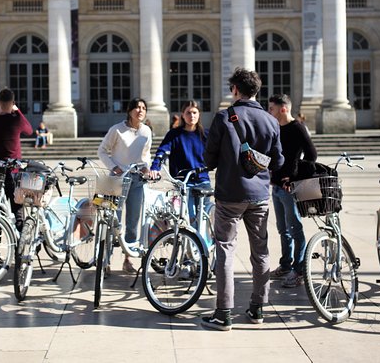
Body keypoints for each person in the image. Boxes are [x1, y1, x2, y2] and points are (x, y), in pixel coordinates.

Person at [201, 68, 284, 331]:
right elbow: (278, 160)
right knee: (261, 252)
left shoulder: (225, 117)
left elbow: (209, 158)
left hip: (229, 194)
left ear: (235, 89)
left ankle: (223, 313)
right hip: (259, 195)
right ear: (256, 91)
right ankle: (258, 308)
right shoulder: (271, 121)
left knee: (226, 250)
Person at [267, 94, 317, 289]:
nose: (269, 111)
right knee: (282, 229)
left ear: (283, 109)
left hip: (289, 187)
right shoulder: (275, 128)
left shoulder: (297, 127)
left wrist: (295, 176)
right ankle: (286, 264)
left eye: (271, 108)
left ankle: (299, 269)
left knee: (295, 228)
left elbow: (312, 155)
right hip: (276, 185)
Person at [97, 98, 152, 274]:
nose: (140, 111)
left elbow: (146, 154)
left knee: (133, 222)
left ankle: (128, 259)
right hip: (115, 180)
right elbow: (102, 151)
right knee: (112, 220)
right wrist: (115, 167)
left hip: (137, 180)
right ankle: (105, 259)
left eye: (143, 108)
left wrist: (146, 168)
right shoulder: (117, 129)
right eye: (137, 107)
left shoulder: (146, 131)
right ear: (129, 110)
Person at [150, 100, 210, 229]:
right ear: (183, 114)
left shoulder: (205, 135)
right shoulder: (174, 134)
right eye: (188, 112)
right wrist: (155, 167)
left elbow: (217, 154)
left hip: (203, 180)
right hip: (183, 182)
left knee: (203, 217)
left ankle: (204, 246)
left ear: (199, 114)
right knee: (191, 217)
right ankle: (193, 246)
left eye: (194, 112)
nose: (192, 116)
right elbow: (162, 151)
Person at [0, 88, 34, 231]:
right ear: (12, 103)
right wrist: (17, 111)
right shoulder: (16, 120)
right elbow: (30, 130)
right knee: (18, 211)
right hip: (13, 171)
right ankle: (20, 249)